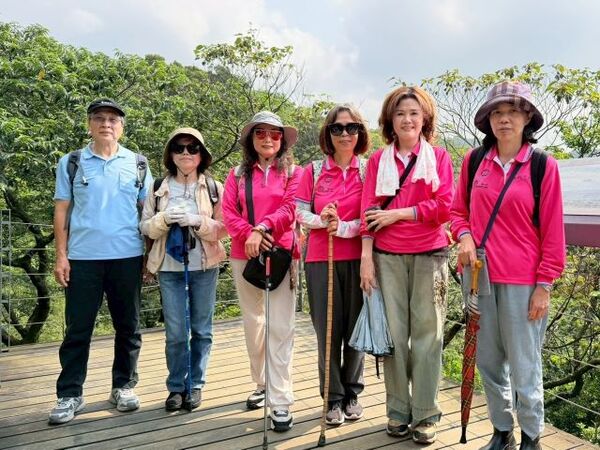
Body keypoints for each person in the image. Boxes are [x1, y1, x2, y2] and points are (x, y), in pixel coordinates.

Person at [450, 81, 566, 450]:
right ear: (488, 119)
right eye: (497, 112)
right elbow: (457, 212)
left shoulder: (542, 166)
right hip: (478, 277)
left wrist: (544, 285)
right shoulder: (474, 162)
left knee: (524, 364)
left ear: (527, 117)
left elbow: (553, 231)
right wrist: (464, 236)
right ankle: (502, 431)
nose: (504, 119)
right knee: (487, 361)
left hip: (523, 281)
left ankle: (531, 437)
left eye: (513, 112)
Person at [360, 86, 454, 444]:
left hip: (431, 254)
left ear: (425, 118)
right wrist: (366, 259)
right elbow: (368, 212)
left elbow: (445, 206)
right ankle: (398, 411)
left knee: (429, 336)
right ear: (390, 120)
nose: (407, 119)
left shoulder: (439, 158)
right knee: (395, 337)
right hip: (387, 257)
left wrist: (399, 213)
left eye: (414, 113)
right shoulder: (377, 161)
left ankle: (426, 413)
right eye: (400, 113)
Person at [50, 98, 152, 424]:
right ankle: (70, 394)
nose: (106, 124)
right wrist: (61, 255)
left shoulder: (138, 163)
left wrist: (149, 257)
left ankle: (123, 386)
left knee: (129, 327)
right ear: (89, 124)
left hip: (128, 256)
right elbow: (61, 210)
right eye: (99, 118)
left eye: (113, 119)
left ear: (122, 126)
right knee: (77, 329)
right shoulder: (72, 162)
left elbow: (148, 212)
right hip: (82, 258)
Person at [222, 111, 302, 432]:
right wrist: (249, 234)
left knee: (281, 326)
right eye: (260, 133)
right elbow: (229, 213)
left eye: (275, 133)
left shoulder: (294, 173)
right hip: (245, 255)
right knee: (253, 324)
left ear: (283, 140)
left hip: (282, 254)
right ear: (251, 139)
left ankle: (280, 399)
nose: (268, 139)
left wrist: (263, 229)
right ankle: (262, 383)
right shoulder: (237, 174)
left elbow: (291, 207)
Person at [140, 127, 227, 411]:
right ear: (171, 154)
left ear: (202, 154)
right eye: (179, 148)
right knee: (176, 332)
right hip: (169, 267)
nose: (186, 153)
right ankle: (176, 386)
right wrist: (164, 219)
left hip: (204, 265)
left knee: (201, 329)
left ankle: (195, 384)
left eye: (193, 148)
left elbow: (224, 228)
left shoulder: (214, 188)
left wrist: (197, 221)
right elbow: (145, 226)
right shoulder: (158, 187)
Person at [295, 104, 370, 426]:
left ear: (360, 133)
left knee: (355, 330)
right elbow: (299, 211)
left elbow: (371, 216)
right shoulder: (312, 171)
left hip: (358, 258)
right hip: (319, 259)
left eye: (351, 128)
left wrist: (343, 228)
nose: (344, 134)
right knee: (327, 331)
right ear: (328, 133)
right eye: (337, 128)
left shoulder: (367, 170)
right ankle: (332, 397)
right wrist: (321, 219)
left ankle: (352, 392)